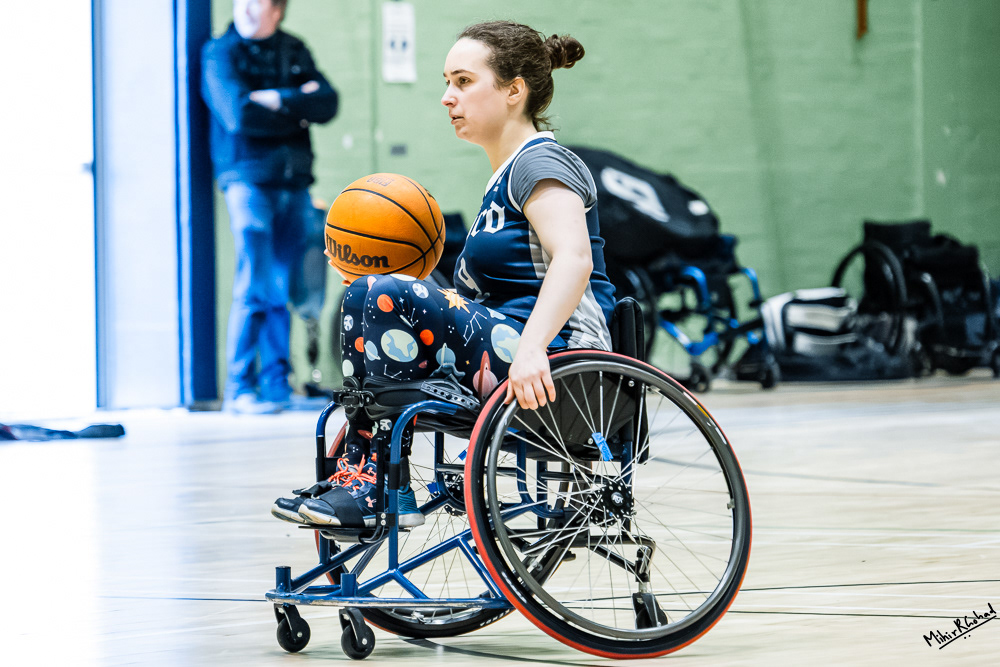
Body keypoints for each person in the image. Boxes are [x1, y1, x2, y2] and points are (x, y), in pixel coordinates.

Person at [271, 20, 616, 527]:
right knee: (371, 293)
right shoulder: (503, 179)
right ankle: (364, 467)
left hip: (566, 367)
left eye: (463, 81)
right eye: (446, 83)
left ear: (513, 91)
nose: (447, 97)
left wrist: (532, 348)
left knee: (383, 292)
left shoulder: (542, 161)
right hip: (516, 352)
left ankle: (376, 489)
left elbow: (574, 259)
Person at [202, 0, 339, 414]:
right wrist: (297, 103)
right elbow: (238, 114)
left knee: (284, 285)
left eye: (255, 1)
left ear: (276, 10)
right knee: (254, 283)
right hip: (247, 181)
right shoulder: (220, 52)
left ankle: (278, 385)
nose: (244, 8)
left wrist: (273, 98)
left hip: (294, 183)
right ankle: (240, 388)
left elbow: (328, 103)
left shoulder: (294, 48)